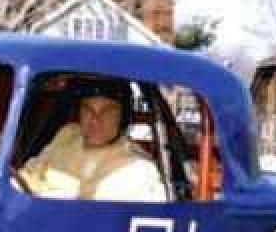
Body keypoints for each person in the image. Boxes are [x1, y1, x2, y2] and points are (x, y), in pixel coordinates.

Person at [16, 76, 167, 201]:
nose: (95, 119)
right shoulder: (67, 135)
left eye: (107, 111)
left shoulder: (140, 169)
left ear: (123, 118)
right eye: (87, 109)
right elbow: (25, 177)